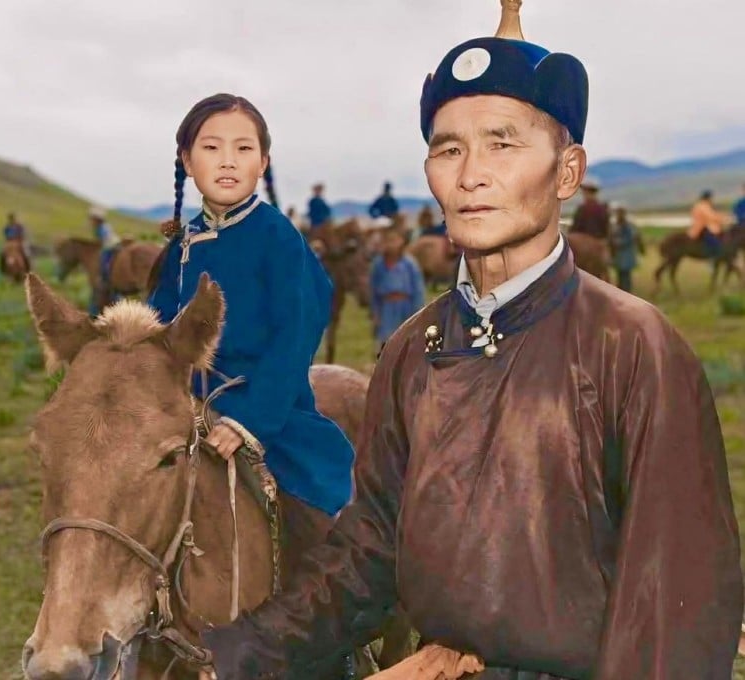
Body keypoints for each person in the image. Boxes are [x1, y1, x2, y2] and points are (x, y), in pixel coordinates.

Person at [198, 4, 743, 679]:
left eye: (503, 143)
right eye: (448, 148)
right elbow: (371, 546)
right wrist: (231, 657)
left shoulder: (634, 346)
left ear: (567, 172)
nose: (470, 173)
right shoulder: (408, 349)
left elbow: (674, 612)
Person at [146, 94, 355, 648]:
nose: (228, 160)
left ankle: (330, 634)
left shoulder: (276, 236)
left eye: (244, 148)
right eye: (211, 148)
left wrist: (249, 420)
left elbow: (296, 333)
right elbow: (161, 329)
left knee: (315, 520)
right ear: (187, 162)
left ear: (263, 162)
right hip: (190, 405)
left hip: (269, 407)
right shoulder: (184, 243)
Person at [369, 228, 425, 355]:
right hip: (386, 308)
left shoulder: (409, 264)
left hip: (405, 306)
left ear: (401, 242)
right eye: (388, 241)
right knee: (386, 343)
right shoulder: (378, 265)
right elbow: (374, 291)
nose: (391, 244)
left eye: (394, 240)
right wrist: (375, 313)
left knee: (407, 341)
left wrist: (417, 312)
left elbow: (418, 289)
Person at [89, 205, 121, 314]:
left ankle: (105, 276)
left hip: (110, 246)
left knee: (103, 260)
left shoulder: (101, 228)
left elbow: (103, 241)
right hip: (112, 245)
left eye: (93, 219)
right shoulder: (103, 226)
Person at [608, 203, 643, 293]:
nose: (618, 215)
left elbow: (630, 238)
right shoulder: (616, 224)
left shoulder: (627, 225)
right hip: (619, 254)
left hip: (626, 253)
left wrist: (619, 242)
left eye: (619, 213)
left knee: (625, 276)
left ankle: (626, 292)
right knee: (620, 274)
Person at [688, 189, 730, 259]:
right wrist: (725, 219)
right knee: (716, 243)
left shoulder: (702, 205)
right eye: (711, 198)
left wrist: (724, 217)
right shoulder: (703, 206)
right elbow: (711, 216)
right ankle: (713, 255)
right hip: (703, 228)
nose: (712, 200)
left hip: (704, 227)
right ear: (708, 198)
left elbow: (714, 214)